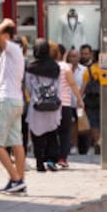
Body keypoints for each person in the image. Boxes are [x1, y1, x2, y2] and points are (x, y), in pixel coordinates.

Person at [0, 19, 27, 194]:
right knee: (15, 142)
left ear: (6, 36)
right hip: (14, 100)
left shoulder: (12, 49)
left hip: (8, 99)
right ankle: (19, 181)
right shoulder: (10, 53)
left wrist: (5, 23)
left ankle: (16, 178)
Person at [26, 39, 65, 173]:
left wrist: (36, 96)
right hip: (53, 105)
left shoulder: (31, 67)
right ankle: (51, 160)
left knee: (37, 136)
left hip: (37, 105)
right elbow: (59, 85)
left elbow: (28, 87)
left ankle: (39, 163)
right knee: (52, 133)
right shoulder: (55, 66)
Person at [50, 42, 82, 167]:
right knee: (65, 132)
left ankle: (52, 157)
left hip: (50, 103)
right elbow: (73, 84)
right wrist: (79, 99)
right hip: (65, 103)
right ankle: (63, 158)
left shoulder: (50, 66)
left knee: (52, 131)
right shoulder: (65, 67)